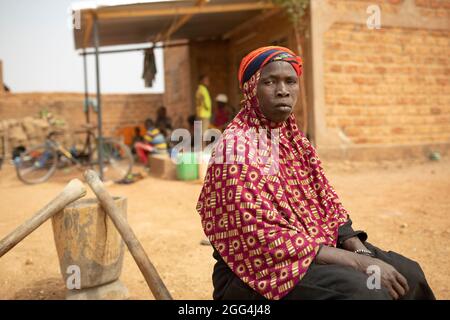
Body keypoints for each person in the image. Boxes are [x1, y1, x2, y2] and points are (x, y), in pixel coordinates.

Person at [196, 46, 435, 300]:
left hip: (313, 249)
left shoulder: (295, 141)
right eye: (270, 82)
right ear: (251, 90)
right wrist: (359, 264)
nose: (283, 90)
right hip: (256, 272)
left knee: (410, 276)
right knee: (369, 291)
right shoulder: (235, 149)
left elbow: (328, 206)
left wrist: (360, 251)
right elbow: (264, 239)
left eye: (290, 81)